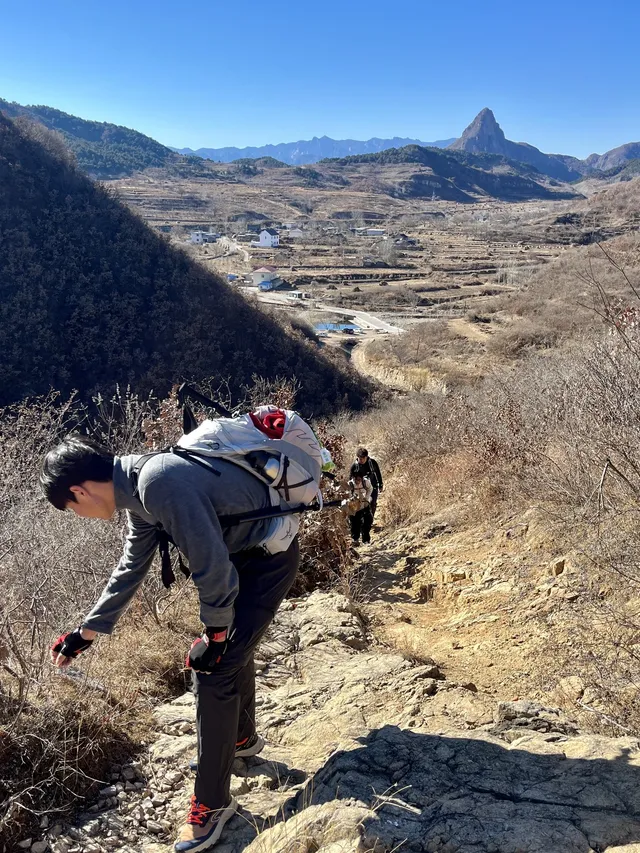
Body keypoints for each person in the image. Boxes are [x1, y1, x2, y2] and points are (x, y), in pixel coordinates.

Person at [41, 434, 300, 853]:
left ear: (79, 491)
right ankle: (241, 739)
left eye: (72, 509)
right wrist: (85, 632)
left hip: (267, 560)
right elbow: (132, 565)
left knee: (214, 667)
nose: (80, 515)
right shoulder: (138, 488)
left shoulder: (157, 482)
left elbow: (210, 566)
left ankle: (213, 804)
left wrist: (214, 635)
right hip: (246, 557)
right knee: (229, 650)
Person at [349, 447, 383, 517]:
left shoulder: (372, 463)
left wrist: (380, 485)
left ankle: (370, 519)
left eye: (362, 459)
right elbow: (350, 479)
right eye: (359, 458)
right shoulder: (354, 466)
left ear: (366, 457)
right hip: (360, 489)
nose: (360, 460)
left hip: (373, 485)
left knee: (372, 503)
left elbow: (378, 473)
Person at [345, 473, 373, 544]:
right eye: (356, 479)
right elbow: (348, 495)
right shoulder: (350, 484)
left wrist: (366, 498)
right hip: (354, 505)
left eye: (360, 479)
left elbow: (370, 488)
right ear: (353, 478)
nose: (358, 481)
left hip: (365, 503)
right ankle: (355, 539)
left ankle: (366, 539)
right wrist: (353, 501)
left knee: (368, 521)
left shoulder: (366, 482)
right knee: (355, 523)